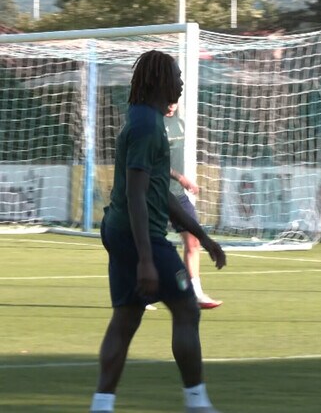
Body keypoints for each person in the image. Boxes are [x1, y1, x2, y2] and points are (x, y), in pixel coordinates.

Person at [90, 50, 226, 413]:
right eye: (177, 75)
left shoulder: (143, 118)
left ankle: (101, 405)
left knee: (127, 315)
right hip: (138, 236)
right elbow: (137, 194)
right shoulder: (148, 126)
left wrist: (203, 235)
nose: (181, 82)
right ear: (159, 80)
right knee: (185, 308)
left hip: (120, 232)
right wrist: (147, 261)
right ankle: (197, 402)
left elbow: (157, 192)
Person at [166, 103, 223, 309]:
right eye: (167, 99)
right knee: (147, 244)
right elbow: (154, 161)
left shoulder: (180, 122)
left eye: (175, 100)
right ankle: (140, 293)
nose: (171, 105)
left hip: (179, 195)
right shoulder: (152, 124)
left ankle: (195, 293)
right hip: (156, 194)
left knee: (193, 242)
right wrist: (181, 178)